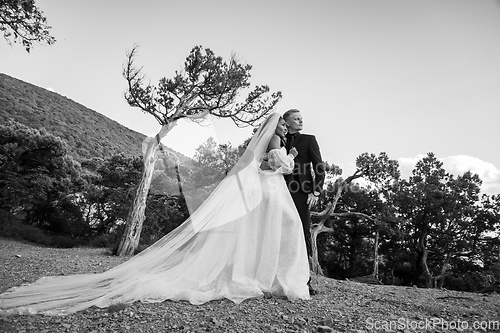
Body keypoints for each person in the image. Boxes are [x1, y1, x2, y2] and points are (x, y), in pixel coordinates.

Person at [0, 112, 311, 316]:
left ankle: (264, 274)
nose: (286, 126)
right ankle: (267, 275)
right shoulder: (276, 140)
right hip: (269, 190)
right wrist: (292, 157)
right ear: (275, 125)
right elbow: (274, 165)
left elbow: (268, 165)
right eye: (285, 122)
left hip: (269, 190)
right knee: (281, 229)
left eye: (289, 123)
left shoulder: (277, 139)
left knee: (273, 230)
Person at [283, 109, 325, 295]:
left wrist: (315, 191)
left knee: (304, 233)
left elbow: (319, 167)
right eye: (296, 119)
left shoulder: (309, 139)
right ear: (287, 122)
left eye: (301, 118)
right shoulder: (277, 139)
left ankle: (304, 281)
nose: (301, 121)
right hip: (278, 190)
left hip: (301, 192)